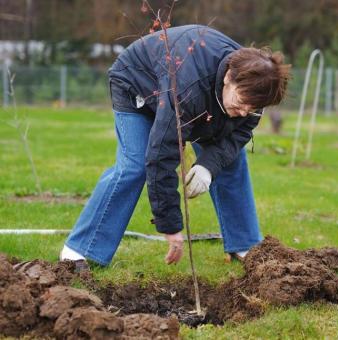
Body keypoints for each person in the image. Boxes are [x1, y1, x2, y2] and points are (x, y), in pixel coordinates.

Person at [60, 25, 290, 268]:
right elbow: (162, 154)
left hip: (202, 99)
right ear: (228, 78)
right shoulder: (188, 87)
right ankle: (79, 250)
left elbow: (238, 135)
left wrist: (208, 167)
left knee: (231, 161)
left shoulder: (256, 89)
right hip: (137, 85)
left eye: (252, 109)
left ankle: (245, 246)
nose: (244, 112)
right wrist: (170, 225)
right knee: (134, 166)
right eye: (242, 103)